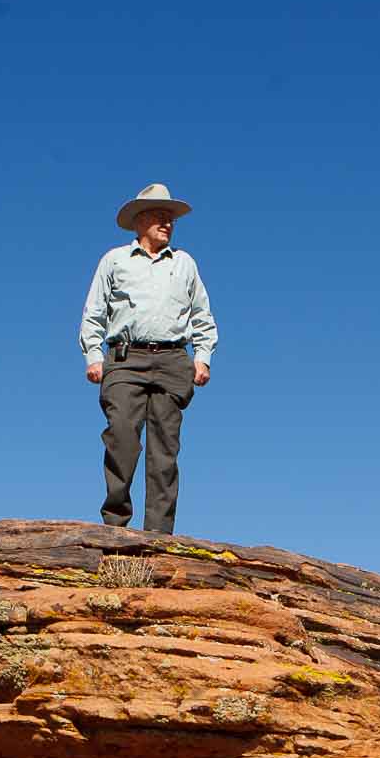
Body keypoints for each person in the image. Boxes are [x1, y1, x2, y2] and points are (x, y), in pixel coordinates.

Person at [79, 183, 218, 534]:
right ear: (139, 220)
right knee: (122, 436)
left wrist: (202, 357)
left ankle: (158, 536)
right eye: (159, 215)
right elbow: (94, 312)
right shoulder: (114, 261)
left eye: (170, 217)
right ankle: (116, 527)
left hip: (173, 361)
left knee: (165, 452)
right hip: (125, 360)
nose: (167, 222)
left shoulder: (185, 264)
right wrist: (94, 356)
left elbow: (202, 315)